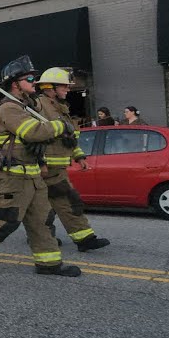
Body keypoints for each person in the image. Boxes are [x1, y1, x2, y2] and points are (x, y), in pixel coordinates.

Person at [0, 56, 80, 278]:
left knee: (42, 221)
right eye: (30, 78)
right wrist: (59, 125)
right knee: (5, 220)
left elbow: (35, 140)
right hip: (11, 179)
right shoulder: (8, 109)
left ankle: (49, 263)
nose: (34, 82)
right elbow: (32, 132)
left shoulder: (24, 107)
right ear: (15, 83)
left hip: (33, 177)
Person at [35, 67, 110, 252]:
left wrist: (79, 156)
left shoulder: (60, 108)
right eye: (64, 87)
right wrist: (40, 162)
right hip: (46, 168)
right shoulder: (38, 106)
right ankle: (57, 237)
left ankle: (80, 239)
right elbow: (32, 136)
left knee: (59, 203)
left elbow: (69, 137)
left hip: (58, 167)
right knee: (55, 204)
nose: (68, 90)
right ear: (50, 88)